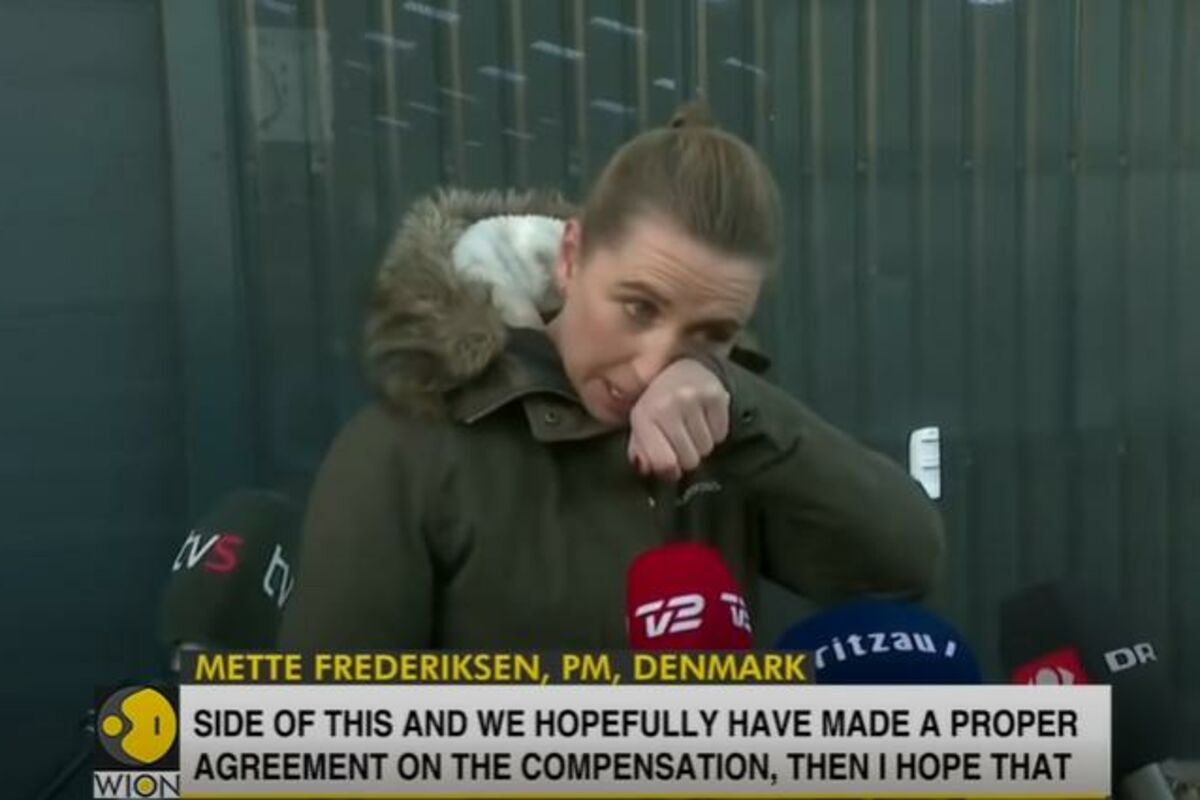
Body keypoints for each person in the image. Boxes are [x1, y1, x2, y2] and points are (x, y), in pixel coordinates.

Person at [277, 105, 944, 649]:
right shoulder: (406, 452)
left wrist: (742, 407)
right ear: (571, 257)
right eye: (639, 308)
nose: (655, 366)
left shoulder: (730, 440)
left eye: (711, 333)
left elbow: (901, 566)